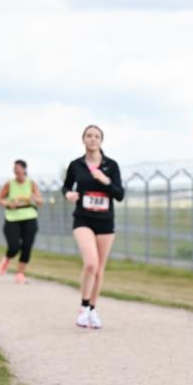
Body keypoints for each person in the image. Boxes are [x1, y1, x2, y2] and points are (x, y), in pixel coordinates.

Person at [61, 124, 124, 329]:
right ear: (83, 139)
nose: (93, 139)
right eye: (89, 135)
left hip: (105, 222)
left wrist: (105, 180)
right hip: (83, 219)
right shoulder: (76, 165)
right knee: (91, 263)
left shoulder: (111, 165)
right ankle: (83, 306)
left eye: (96, 136)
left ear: (101, 140)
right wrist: (68, 194)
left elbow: (119, 194)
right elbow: (66, 186)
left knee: (99, 269)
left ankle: (92, 309)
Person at [0, 159, 43, 284]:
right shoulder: (9, 184)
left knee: (27, 246)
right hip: (12, 218)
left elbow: (40, 201)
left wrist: (35, 198)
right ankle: (6, 260)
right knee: (14, 246)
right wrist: (9, 203)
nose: (15, 170)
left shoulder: (31, 184)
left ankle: (20, 274)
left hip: (29, 217)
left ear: (24, 169)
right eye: (14, 168)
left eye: (18, 168)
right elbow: (0, 199)